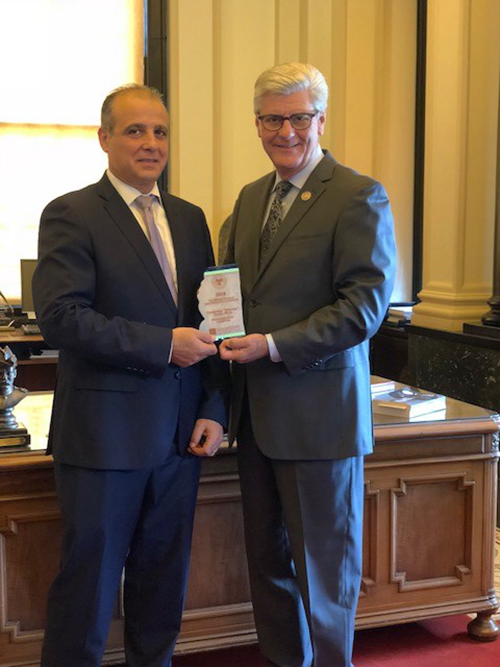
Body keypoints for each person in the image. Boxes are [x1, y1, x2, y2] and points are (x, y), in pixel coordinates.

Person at [32, 84, 228, 667]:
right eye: (135, 131)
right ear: (104, 139)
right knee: (87, 590)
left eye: (160, 131)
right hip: (103, 438)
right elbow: (61, 319)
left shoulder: (191, 220)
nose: (150, 143)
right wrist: (163, 346)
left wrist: (213, 408)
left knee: (162, 584)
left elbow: (212, 321)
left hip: (179, 441)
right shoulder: (72, 212)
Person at [219, 62, 396, 667]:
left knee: (324, 572)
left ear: (320, 120)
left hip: (320, 418)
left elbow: (363, 308)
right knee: (268, 567)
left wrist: (272, 344)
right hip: (255, 421)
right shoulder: (248, 200)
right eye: (272, 119)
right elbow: (227, 293)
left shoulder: (357, 195)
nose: (285, 131)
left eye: (298, 117)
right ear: (258, 124)